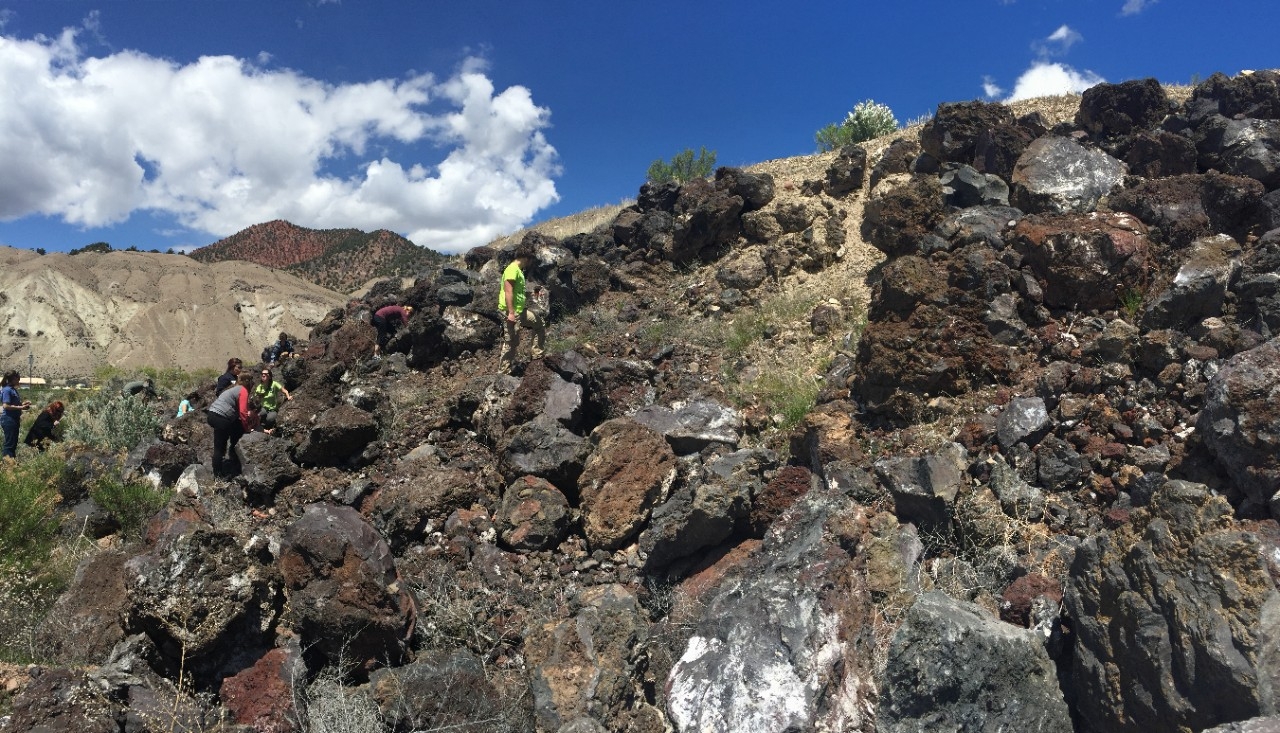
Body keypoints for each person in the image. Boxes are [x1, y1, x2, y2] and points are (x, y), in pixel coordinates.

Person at [497, 242, 546, 374]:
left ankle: (537, 356)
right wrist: (511, 313)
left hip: (520, 311)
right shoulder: (512, 269)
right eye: (531, 260)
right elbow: (508, 291)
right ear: (526, 258)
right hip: (510, 311)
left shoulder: (518, 271)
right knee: (511, 342)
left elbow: (518, 292)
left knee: (539, 324)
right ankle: (503, 373)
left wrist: (535, 294)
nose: (530, 263)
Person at [206, 371, 259, 477]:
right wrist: (247, 428)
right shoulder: (243, 390)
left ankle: (220, 470)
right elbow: (243, 412)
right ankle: (220, 473)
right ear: (249, 383)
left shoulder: (233, 389)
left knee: (221, 443)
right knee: (222, 446)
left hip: (212, 414)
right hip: (221, 417)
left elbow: (240, 409)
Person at [0, 370, 31, 460]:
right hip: (9, 419)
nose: (19, 381)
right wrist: (21, 408)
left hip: (13, 419)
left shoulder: (12, 390)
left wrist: (24, 404)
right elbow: (6, 406)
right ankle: (8, 465)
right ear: (13, 379)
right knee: (10, 444)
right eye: (18, 379)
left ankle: (11, 463)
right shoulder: (7, 390)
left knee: (13, 442)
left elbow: (14, 404)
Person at [253, 366, 291, 432]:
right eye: (262, 374)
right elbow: (256, 399)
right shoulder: (260, 387)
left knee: (270, 419)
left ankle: (268, 427)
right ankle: (260, 427)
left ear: (270, 376)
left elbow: (284, 391)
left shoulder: (274, 384)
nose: (263, 375)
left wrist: (288, 396)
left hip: (273, 409)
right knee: (259, 414)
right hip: (263, 407)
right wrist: (259, 397)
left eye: (265, 374)